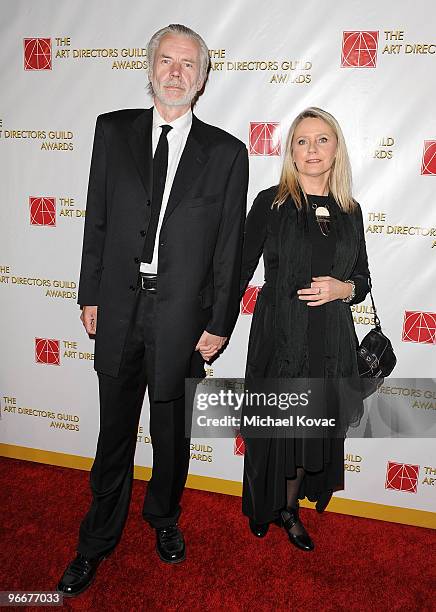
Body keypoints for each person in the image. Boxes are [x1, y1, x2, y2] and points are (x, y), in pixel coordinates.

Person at [57, 23, 248, 596]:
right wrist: (89, 292)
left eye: (189, 64)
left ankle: (163, 519)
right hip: (118, 309)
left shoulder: (227, 153)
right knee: (112, 434)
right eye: (167, 60)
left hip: (184, 321)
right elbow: (96, 216)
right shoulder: (111, 132)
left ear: (204, 78)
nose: (176, 72)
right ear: (149, 68)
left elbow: (229, 248)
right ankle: (95, 542)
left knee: (172, 437)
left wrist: (219, 323)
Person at [239, 107, 370, 551]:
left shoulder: (350, 211)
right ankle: (263, 506)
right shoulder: (270, 203)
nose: (312, 149)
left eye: (322, 140)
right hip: (280, 334)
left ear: (336, 150)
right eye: (302, 140)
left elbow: (364, 281)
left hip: (330, 340)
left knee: (308, 429)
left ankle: (289, 510)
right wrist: (211, 325)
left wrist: (343, 287)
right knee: (273, 428)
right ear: (290, 151)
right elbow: (238, 269)